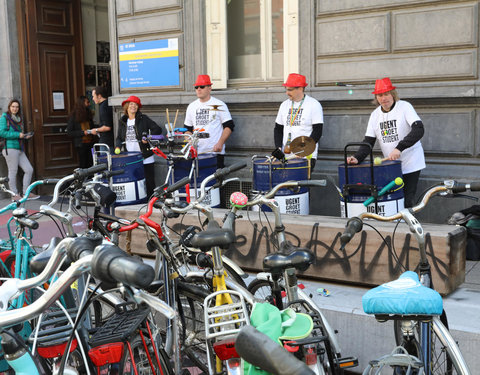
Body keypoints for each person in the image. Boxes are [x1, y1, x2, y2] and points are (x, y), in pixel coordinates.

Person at [346, 77, 425, 208]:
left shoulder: (405, 107)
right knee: (393, 201)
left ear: (393, 94)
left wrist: (399, 148)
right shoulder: (375, 115)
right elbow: (368, 142)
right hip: (391, 165)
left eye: (386, 94)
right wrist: (357, 157)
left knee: (407, 201)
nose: (384, 98)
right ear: (376, 97)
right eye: (380, 95)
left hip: (411, 162)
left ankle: (407, 227)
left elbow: (419, 129)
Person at [274, 73, 323, 171]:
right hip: (287, 155)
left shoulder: (314, 104)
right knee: (285, 184)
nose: (287, 93)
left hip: (306, 155)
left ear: (300, 88)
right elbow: (278, 129)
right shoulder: (284, 105)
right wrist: (278, 147)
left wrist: (304, 150)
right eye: (286, 89)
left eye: (290, 90)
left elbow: (317, 131)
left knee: (301, 184)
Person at [115, 95, 162, 198]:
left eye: (136, 105)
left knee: (149, 182)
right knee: (136, 181)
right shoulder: (122, 121)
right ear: (126, 106)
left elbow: (157, 129)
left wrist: (148, 137)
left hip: (146, 156)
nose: (133, 106)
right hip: (131, 158)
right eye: (131, 104)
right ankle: (140, 201)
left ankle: (152, 202)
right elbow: (119, 138)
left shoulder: (143, 118)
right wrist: (117, 147)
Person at [184, 74, 235, 169]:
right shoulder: (191, 106)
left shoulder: (219, 105)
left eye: (202, 87)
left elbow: (229, 126)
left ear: (209, 88)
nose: (198, 89)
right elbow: (187, 129)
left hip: (215, 153)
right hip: (197, 153)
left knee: (216, 182)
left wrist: (220, 142)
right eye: (196, 87)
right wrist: (190, 141)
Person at [0, 99, 38, 201]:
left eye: (17, 107)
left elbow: (17, 134)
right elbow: (2, 133)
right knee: (13, 172)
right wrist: (18, 135)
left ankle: (26, 192)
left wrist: (24, 136)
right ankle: (14, 195)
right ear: (9, 107)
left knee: (29, 169)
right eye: (13, 106)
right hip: (10, 148)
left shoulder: (18, 118)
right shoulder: (4, 117)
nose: (15, 108)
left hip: (19, 148)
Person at [66, 96, 95, 168]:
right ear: (81, 103)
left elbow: (92, 126)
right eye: (87, 102)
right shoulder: (73, 116)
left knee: (91, 163)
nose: (89, 104)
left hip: (91, 143)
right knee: (83, 163)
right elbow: (69, 132)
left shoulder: (88, 114)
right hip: (81, 144)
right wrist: (83, 133)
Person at [91, 86, 114, 151]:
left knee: (105, 161)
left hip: (106, 142)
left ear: (99, 96)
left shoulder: (103, 107)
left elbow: (107, 127)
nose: (92, 98)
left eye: (93, 96)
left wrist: (95, 130)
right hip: (108, 141)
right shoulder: (106, 104)